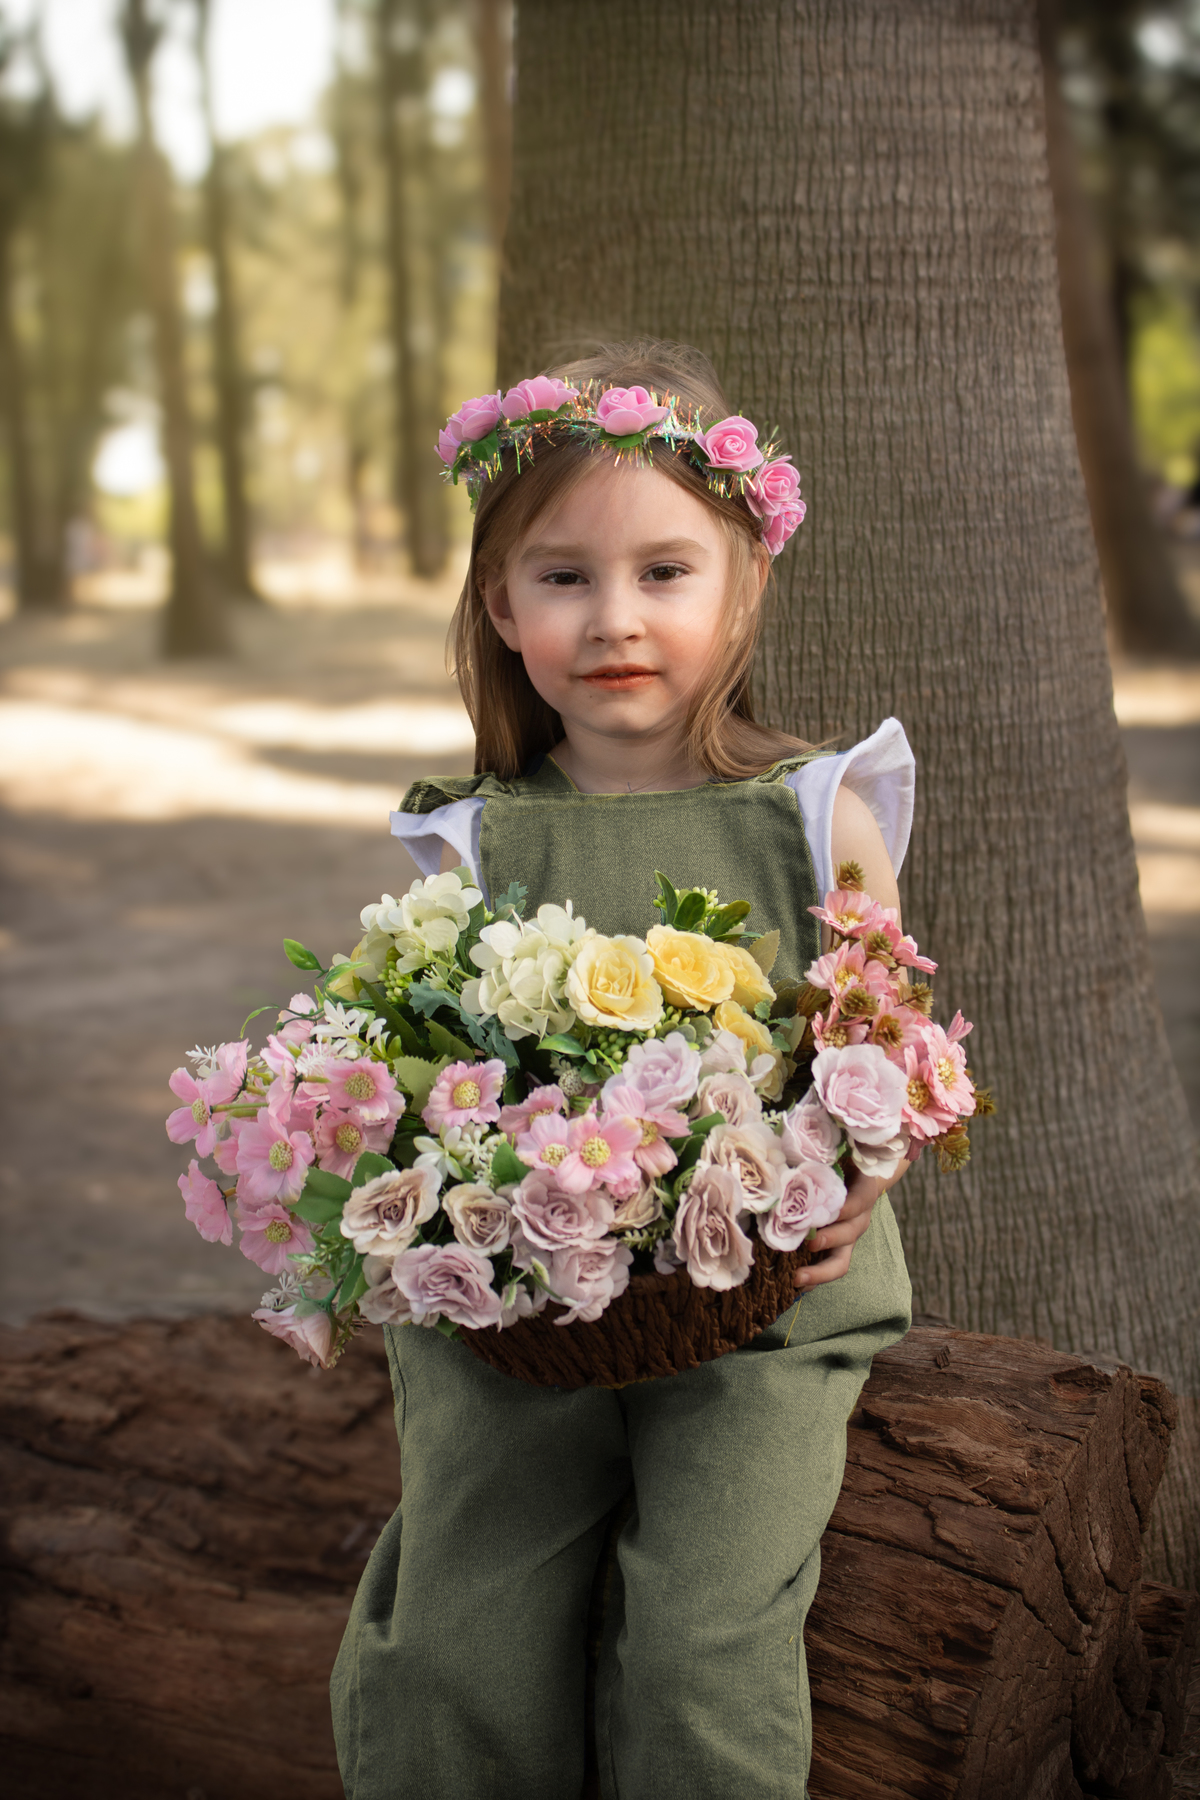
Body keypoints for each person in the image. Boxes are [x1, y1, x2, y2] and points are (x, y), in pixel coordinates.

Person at [331, 339, 914, 1800]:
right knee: (451, 1642)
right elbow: (409, 1069)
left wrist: (868, 1163)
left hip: (768, 1303)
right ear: (499, 601)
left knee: (701, 1646)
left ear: (741, 587)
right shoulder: (470, 836)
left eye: (665, 572)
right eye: (563, 576)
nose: (615, 620)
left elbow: (883, 1046)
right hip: (519, 1313)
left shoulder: (818, 811)